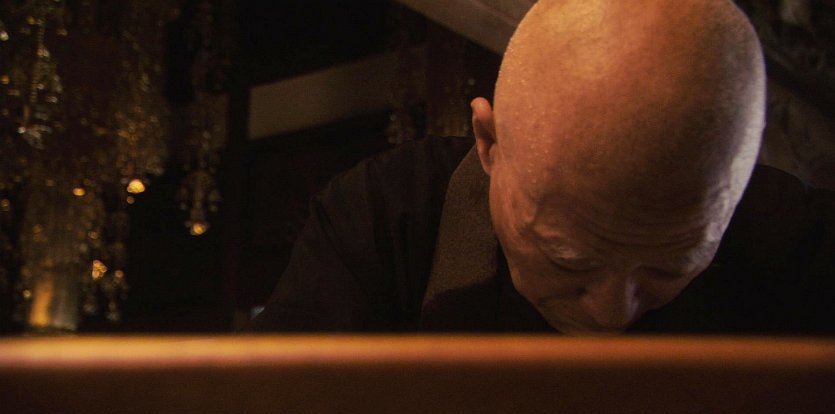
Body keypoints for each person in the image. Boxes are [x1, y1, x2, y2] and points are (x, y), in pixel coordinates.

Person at [249, 0, 835, 334]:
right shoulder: (382, 221)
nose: (612, 315)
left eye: (667, 268)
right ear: (489, 142)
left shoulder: (798, 242)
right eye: (567, 260)